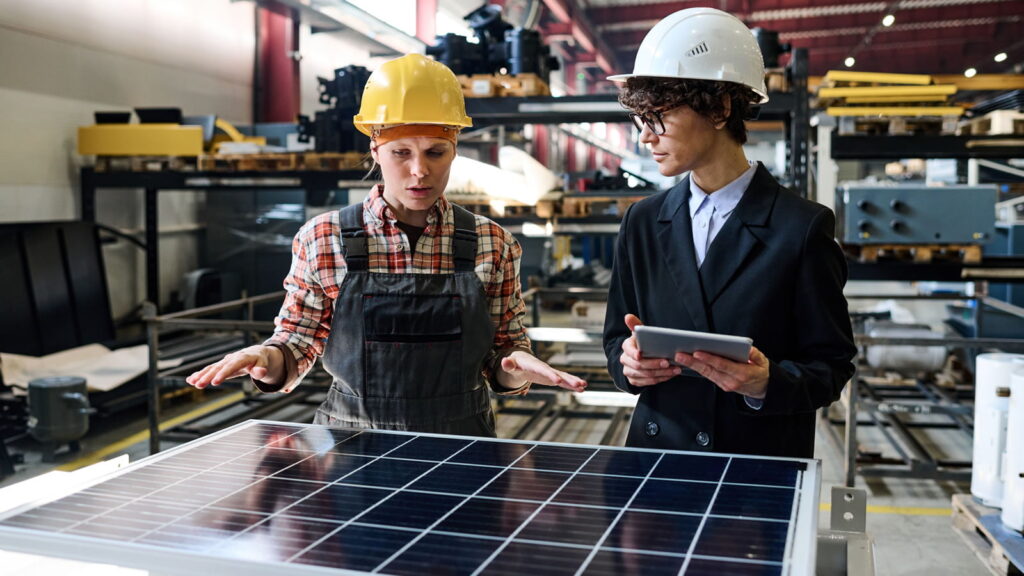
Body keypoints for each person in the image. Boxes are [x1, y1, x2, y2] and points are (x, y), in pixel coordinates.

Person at [187, 53, 586, 437]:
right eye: (401, 152)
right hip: (351, 447)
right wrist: (267, 360)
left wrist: (515, 366)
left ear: (455, 150)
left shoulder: (491, 243)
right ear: (375, 149)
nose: (419, 170)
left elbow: (505, 353)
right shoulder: (323, 239)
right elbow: (296, 341)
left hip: (461, 446)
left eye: (435, 152)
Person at [602, 8, 856, 458]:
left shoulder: (801, 228)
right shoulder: (642, 221)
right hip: (658, 458)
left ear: (719, 108)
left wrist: (766, 382)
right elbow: (616, 338)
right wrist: (629, 365)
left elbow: (831, 366)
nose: (646, 137)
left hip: (754, 466)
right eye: (641, 119)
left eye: (658, 116)